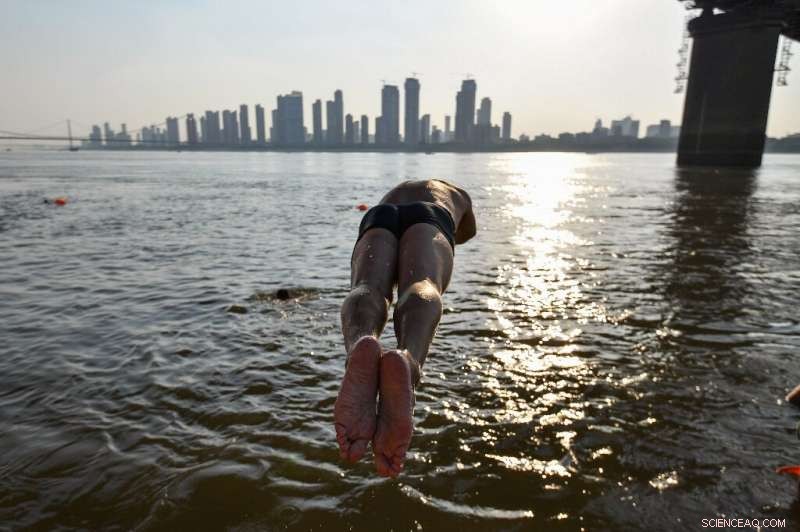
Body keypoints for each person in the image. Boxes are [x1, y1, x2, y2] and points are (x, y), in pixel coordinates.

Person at [334, 179, 476, 477]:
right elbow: (466, 233)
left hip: (380, 215)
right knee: (423, 283)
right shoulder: (457, 193)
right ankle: (408, 361)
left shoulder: (397, 190)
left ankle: (361, 342)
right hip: (431, 216)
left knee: (367, 286)